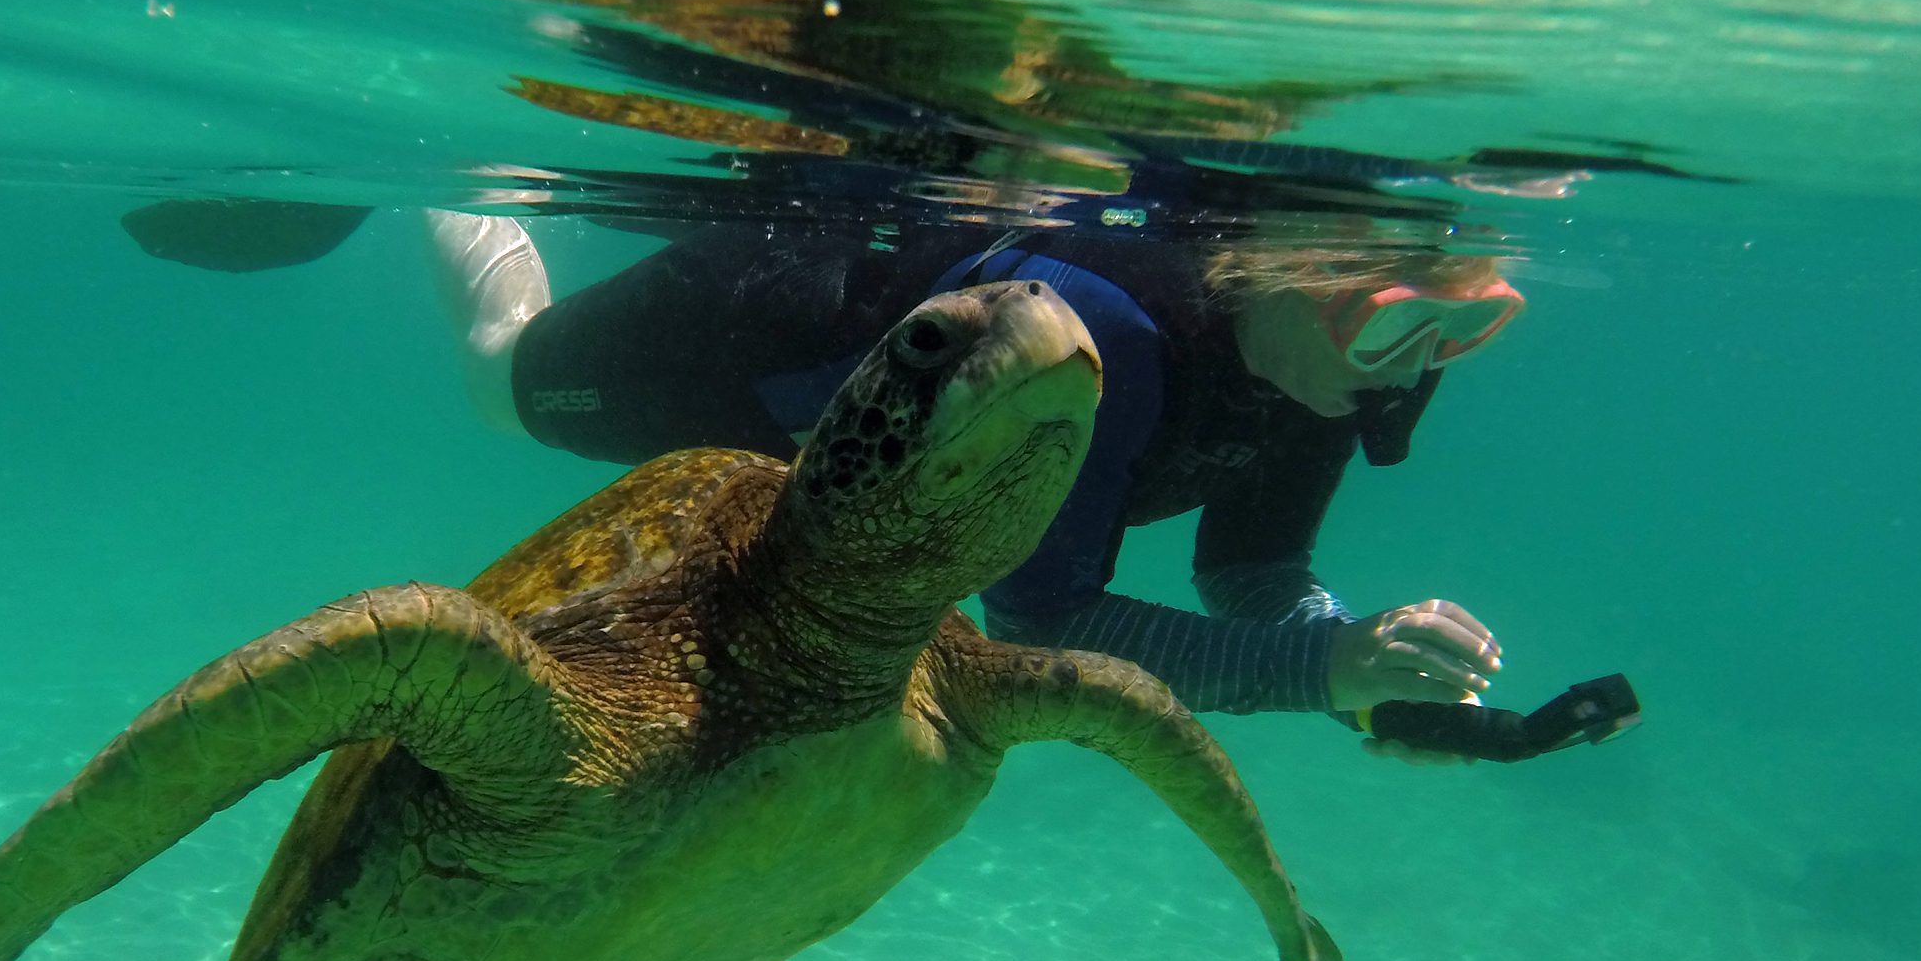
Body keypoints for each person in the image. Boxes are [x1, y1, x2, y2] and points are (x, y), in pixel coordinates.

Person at [419, 206, 1522, 760]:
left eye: (1458, 336)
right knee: (494, 377)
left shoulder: (1321, 374)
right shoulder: (1110, 334)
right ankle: (471, 196)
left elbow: (1253, 568)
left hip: (876, 315)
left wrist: (1365, 672)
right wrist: (1313, 670)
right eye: (1395, 330)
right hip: (761, 343)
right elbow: (1036, 615)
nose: (1415, 371)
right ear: (1279, 268)